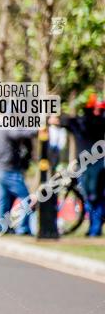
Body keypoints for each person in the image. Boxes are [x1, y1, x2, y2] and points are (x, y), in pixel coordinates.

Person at [50, 95, 105, 236]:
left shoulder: (82, 122)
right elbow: (61, 121)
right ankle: (94, 228)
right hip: (89, 166)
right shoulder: (88, 122)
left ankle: (95, 229)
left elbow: (61, 120)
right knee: (93, 198)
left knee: (93, 198)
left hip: (93, 166)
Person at [0, 126, 38, 236]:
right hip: (9, 170)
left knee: (1, 200)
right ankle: (23, 228)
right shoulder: (6, 127)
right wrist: (38, 130)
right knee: (27, 199)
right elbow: (20, 133)